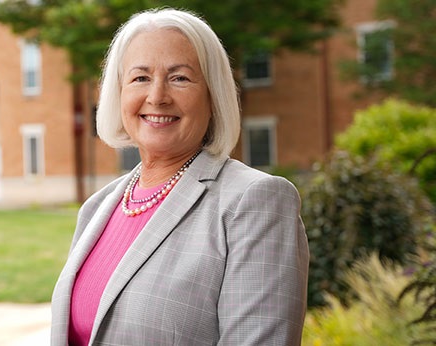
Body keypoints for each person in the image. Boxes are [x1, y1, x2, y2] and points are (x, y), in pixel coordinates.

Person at [50, 8, 309, 346]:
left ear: (213, 96)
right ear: (119, 93)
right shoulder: (96, 208)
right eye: (140, 78)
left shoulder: (255, 202)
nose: (157, 96)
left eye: (180, 78)